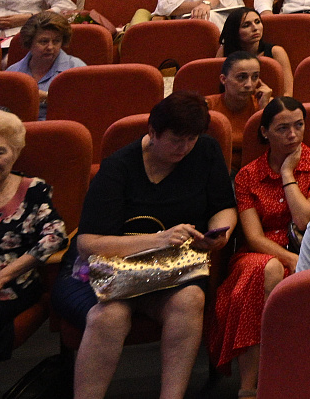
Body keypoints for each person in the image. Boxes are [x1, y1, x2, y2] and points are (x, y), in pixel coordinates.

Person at [56, 94, 239, 399]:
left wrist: (220, 232)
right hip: (103, 272)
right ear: (153, 132)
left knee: (190, 299)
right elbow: (89, 244)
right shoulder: (118, 167)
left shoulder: (205, 151)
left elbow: (224, 206)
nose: (184, 148)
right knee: (110, 317)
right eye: (176, 140)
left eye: (191, 139)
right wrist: (160, 239)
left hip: (169, 269)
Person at [207, 96, 310, 393]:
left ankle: (256, 385)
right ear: (265, 132)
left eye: (298, 125)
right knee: (267, 269)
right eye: (282, 128)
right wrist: (287, 260)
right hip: (259, 252)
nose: (292, 135)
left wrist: (287, 174)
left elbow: (306, 221)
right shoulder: (248, 175)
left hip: (306, 248)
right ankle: (254, 385)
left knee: (268, 271)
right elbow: (253, 237)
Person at [0, 107, 64, 359]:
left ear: (15, 152)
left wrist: (3, 276)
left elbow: (54, 236)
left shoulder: (33, 190)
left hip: (14, 283)